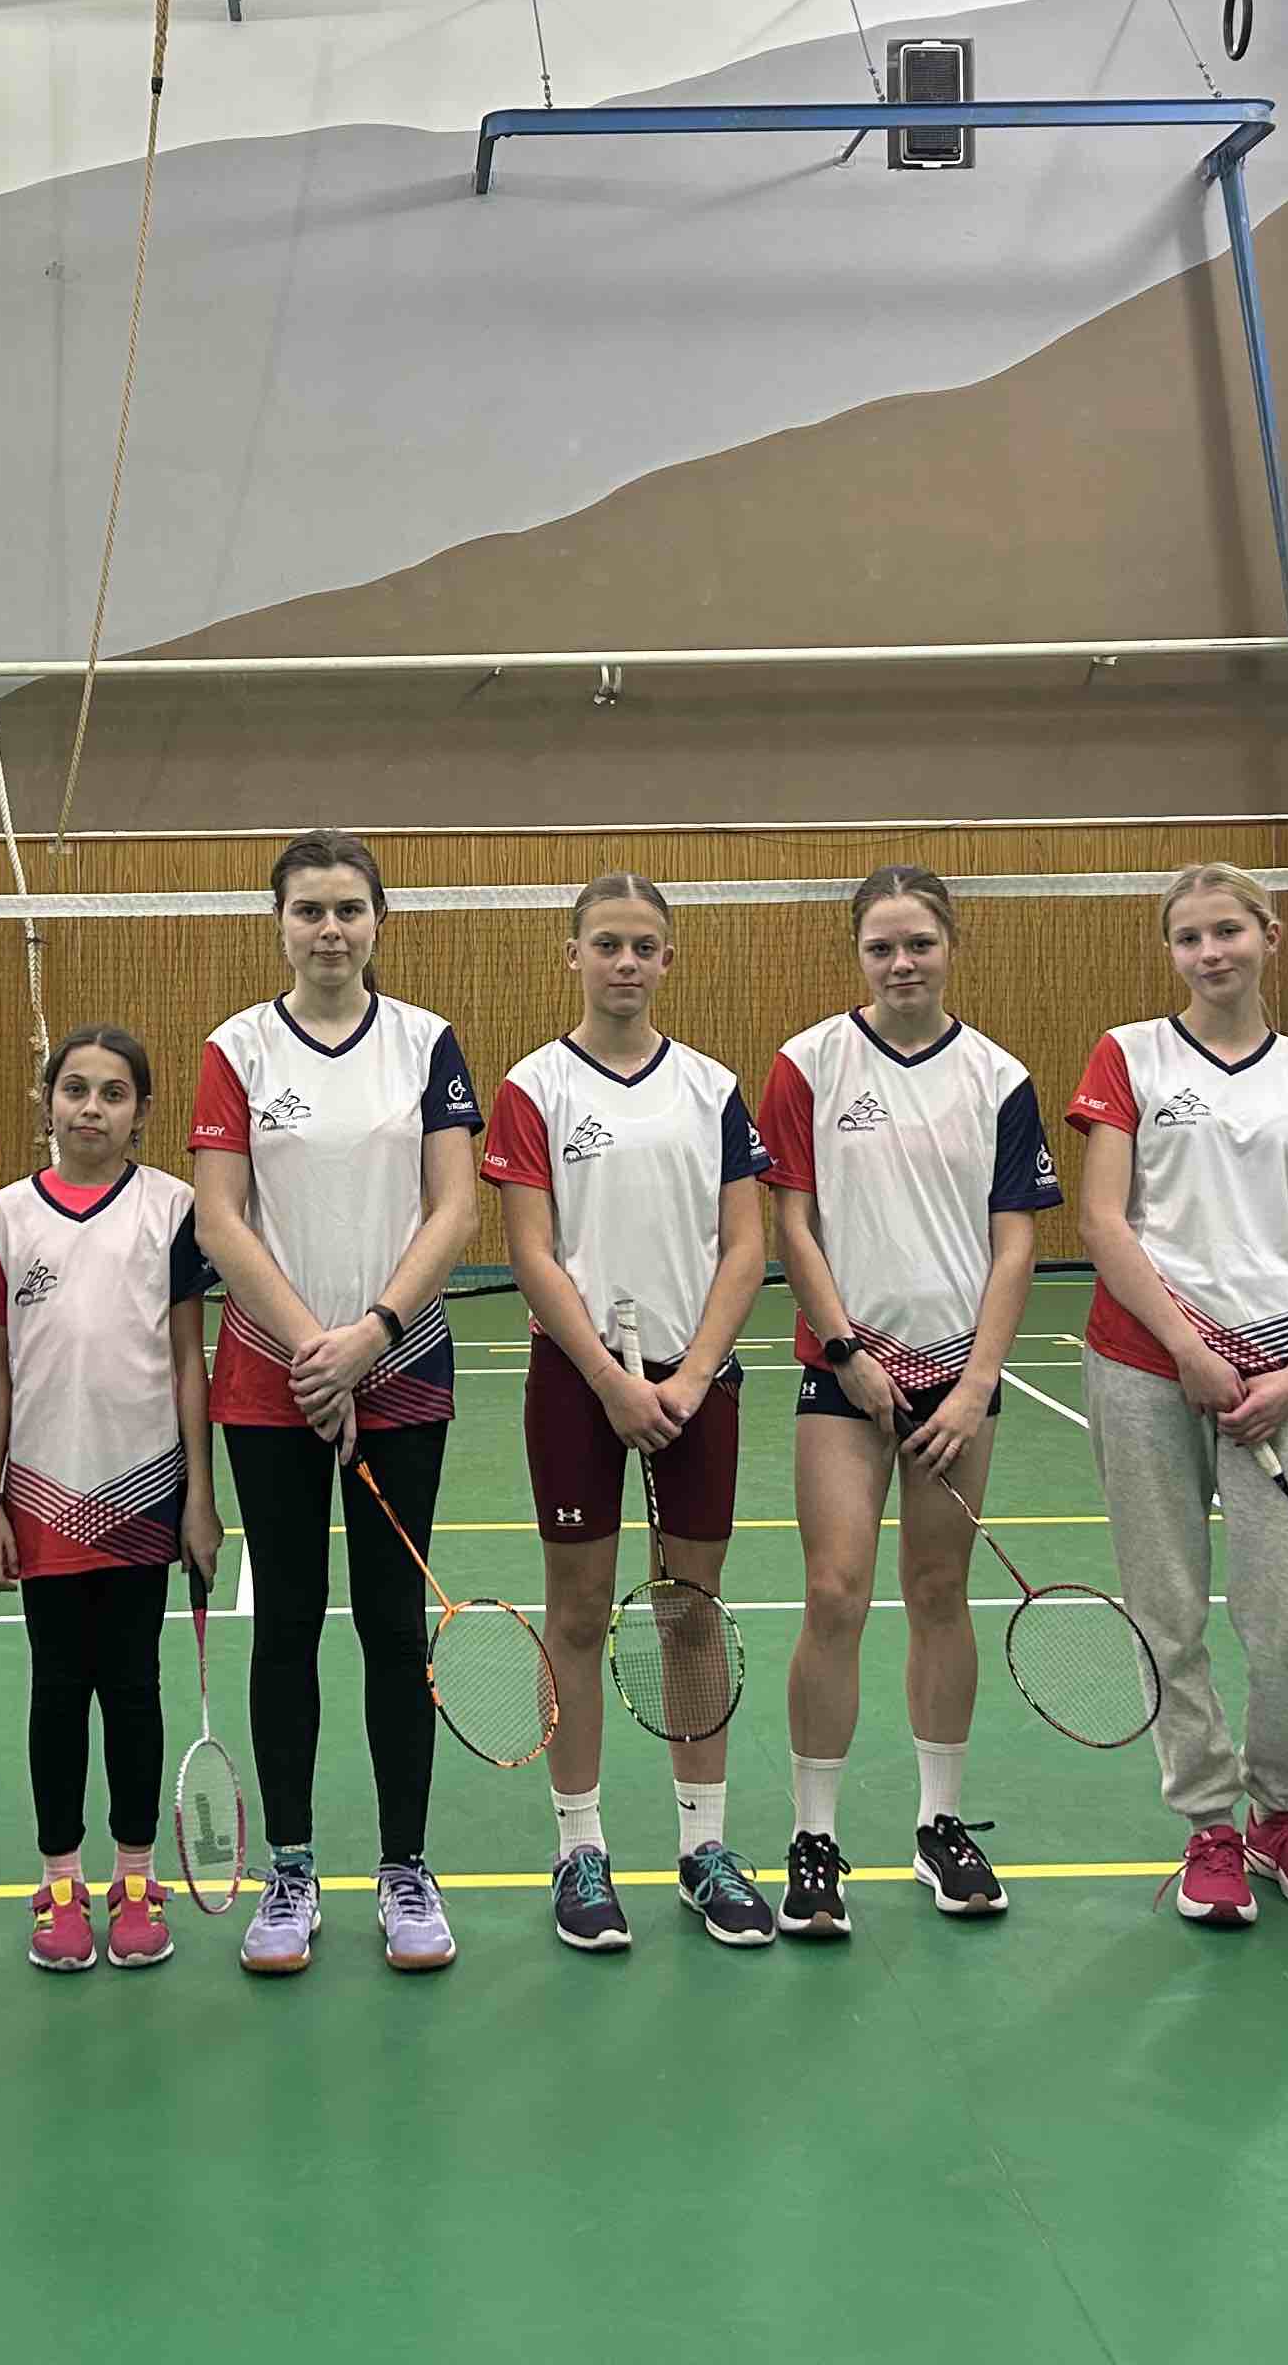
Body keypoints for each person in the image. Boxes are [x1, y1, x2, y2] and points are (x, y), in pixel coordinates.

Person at [190, 828, 483, 1977]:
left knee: (393, 1624)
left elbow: (454, 1207)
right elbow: (221, 1217)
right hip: (273, 1378)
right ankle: (292, 1868)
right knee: (289, 1621)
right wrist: (314, 1353)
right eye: (308, 910)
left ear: (377, 922)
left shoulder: (424, 1042)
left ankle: (406, 1867)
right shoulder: (237, 1048)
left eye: (348, 909)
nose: (329, 929)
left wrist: (369, 1339)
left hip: (400, 1367)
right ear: (279, 923)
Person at [760, 863, 1061, 1938]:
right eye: (881, 947)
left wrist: (976, 1385)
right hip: (846, 1374)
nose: (901, 964)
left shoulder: (998, 1077)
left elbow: (1015, 1243)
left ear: (950, 946)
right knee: (834, 1593)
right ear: (858, 955)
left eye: (919, 943)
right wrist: (845, 1348)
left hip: (957, 1382)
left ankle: (941, 1824)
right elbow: (792, 1223)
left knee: (939, 1591)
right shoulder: (808, 1064)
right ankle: (814, 1837)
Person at [1066, 864, 1288, 1928]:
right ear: (1172, 952)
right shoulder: (1130, 1054)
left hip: (1278, 1372)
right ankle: (1207, 1821)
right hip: (1146, 1364)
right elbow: (1102, 1221)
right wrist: (1186, 1346)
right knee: (1168, 1607)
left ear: (1270, 936)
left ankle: (1283, 1813)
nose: (1211, 952)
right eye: (1190, 937)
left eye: (1229, 930)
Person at [484, 872, 777, 1952]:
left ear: (667, 960)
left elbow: (745, 1246)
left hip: (696, 1377)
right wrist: (611, 1382)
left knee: (690, 1610)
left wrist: (691, 1377)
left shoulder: (711, 1088)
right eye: (605, 943)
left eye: (643, 946)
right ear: (572, 955)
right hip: (579, 1380)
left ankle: (704, 1847)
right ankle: (580, 1849)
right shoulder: (534, 1087)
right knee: (577, 1608)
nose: (624, 962)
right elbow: (530, 1252)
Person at [0, 1026, 223, 1977]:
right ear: (47, 1102)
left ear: (142, 1112)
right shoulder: (4, 1218)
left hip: (143, 1487)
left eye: (114, 1094)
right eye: (74, 1089)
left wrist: (200, 1496)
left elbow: (190, 1361)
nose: (91, 1108)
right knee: (57, 1687)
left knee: (134, 1685)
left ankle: (136, 1879)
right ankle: (61, 1883)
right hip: (41, 1492)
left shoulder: (174, 1209)